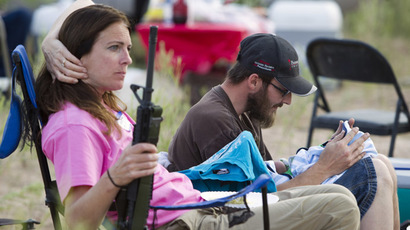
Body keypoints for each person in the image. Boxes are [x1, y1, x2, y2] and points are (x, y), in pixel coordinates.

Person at [36, 3, 362, 230]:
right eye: (113, 48)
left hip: (198, 204)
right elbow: (76, 222)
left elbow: (84, 3)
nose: (126, 59)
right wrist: (116, 176)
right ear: (77, 55)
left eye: (128, 48)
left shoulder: (99, 106)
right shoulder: (75, 124)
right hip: (188, 222)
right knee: (341, 206)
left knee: (337, 194)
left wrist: (51, 41)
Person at [164, 33, 400, 229]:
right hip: (231, 218)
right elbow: (254, 202)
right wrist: (325, 167)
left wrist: (321, 154)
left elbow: (269, 176)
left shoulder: (245, 111)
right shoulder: (215, 121)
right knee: (374, 172)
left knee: (382, 163)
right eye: (283, 89)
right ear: (254, 81)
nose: (288, 101)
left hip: (252, 210)